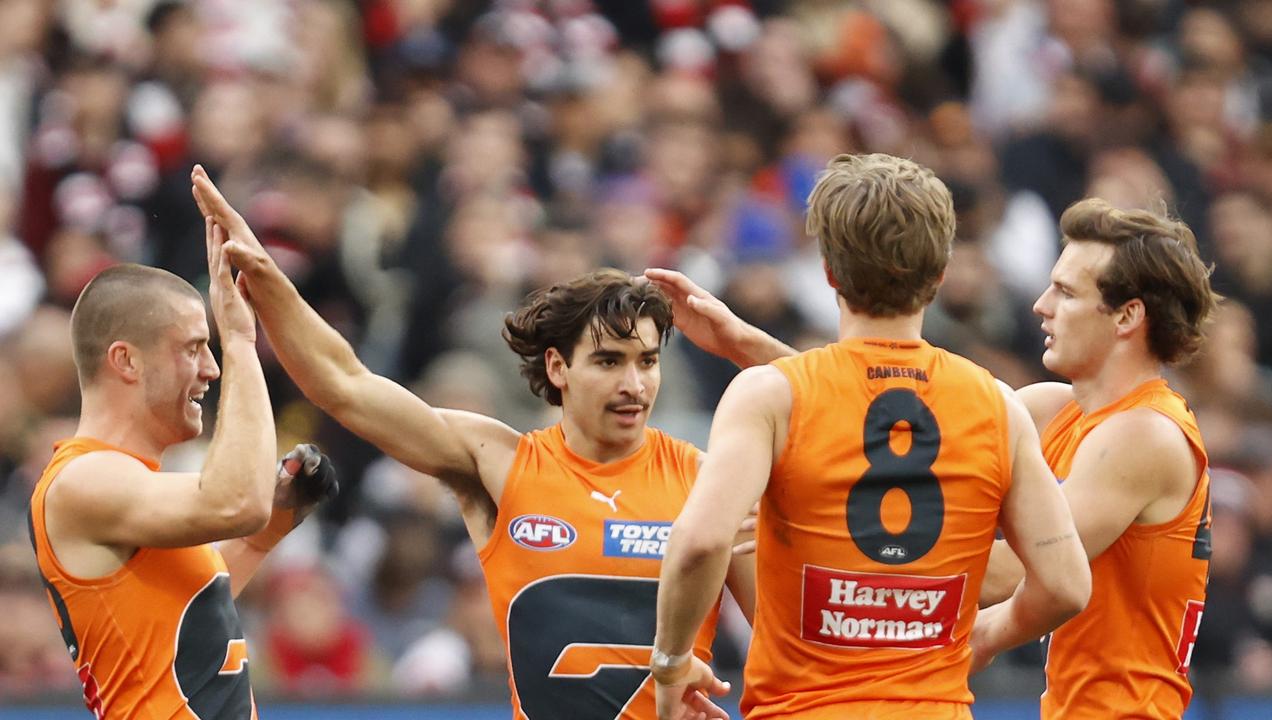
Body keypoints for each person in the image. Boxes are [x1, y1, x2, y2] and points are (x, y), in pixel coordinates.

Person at [189, 166, 755, 720]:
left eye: (648, 362)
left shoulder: (708, 481)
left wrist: (746, 344)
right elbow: (346, 386)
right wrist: (263, 274)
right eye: (609, 361)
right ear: (558, 367)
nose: (634, 385)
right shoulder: (500, 462)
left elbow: (786, 644)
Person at [648, 153, 1092, 720]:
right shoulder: (997, 406)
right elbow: (1065, 585)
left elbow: (701, 543)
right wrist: (978, 638)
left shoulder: (771, 395)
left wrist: (671, 664)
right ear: (939, 276)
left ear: (829, 271)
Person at [27, 167, 337, 720]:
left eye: (211, 347)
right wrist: (241, 338)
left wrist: (270, 529)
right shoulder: (81, 481)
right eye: (194, 348)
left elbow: (190, 613)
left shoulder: (135, 489)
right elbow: (234, 502)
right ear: (125, 360)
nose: (212, 368)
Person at [978, 198, 1219, 719]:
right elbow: (909, 421)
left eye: (1065, 292)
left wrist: (871, 573)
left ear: (1129, 315)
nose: (1040, 305)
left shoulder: (1144, 434)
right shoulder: (1051, 409)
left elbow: (1017, 573)